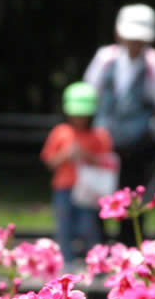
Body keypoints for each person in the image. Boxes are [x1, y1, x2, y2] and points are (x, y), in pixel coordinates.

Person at [83, 3, 155, 246]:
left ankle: (129, 249)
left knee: (134, 209)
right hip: (103, 147)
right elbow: (88, 100)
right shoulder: (104, 60)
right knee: (97, 204)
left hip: (138, 150)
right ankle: (97, 251)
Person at [40, 82, 113, 270]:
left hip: (88, 190)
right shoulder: (60, 132)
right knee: (64, 226)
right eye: (76, 114)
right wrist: (66, 154)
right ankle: (67, 262)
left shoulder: (99, 135)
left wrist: (86, 156)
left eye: (83, 114)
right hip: (64, 187)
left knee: (89, 226)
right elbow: (49, 162)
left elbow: (107, 163)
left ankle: (96, 263)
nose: (79, 118)